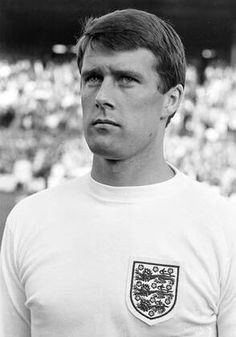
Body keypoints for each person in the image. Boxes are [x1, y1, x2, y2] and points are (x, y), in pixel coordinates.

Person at [0, 8, 235, 337]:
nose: (102, 97)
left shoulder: (222, 227)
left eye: (127, 80)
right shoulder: (28, 220)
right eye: (93, 78)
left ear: (171, 100)